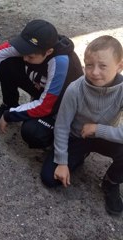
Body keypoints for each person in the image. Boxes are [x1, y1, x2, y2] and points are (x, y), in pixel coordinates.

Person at [40, 35, 123, 216]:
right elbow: (61, 126)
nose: (94, 72)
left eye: (103, 66)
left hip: (104, 137)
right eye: (89, 64)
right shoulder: (75, 89)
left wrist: (98, 129)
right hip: (77, 136)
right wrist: (62, 161)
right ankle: (77, 156)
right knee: (49, 178)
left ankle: (111, 182)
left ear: (119, 66)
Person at [0, 19, 83, 149]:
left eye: (30, 57)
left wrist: (10, 115)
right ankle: (9, 104)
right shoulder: (29, 46)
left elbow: (46, 105)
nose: (24, 58)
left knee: (32, 132)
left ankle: (57, 140)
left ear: (48, 52)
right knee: (6, 62)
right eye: (23, 52)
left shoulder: (60, 62)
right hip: (41, 88)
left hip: (60, 104)